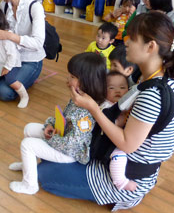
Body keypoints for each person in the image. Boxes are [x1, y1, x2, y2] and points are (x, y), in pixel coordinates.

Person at [36, 12, 174, 211]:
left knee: (43, 174)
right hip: (114, 157)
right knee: (51, 154)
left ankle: (124, 196)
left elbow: (127, 144)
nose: (126, 42)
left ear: (150, 47)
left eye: (132, 38)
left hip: (126, 174)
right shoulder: (154, 79)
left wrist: (93, 108)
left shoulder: (153, 94)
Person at [8, 52, 107, 194]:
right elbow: (64, 117)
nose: (68, 79)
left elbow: (72, 144)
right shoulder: (78, 97)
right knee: (29, 129)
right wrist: (51, 125)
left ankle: (29, 185)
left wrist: (51, 138)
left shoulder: (85, 113)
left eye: (73, 77)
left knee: (27, 145)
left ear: (86, 81)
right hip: (62, 138)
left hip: (70, 153)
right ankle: (27, 166)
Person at [101, 71, 137, 191]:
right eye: (112, 88)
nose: (118, 91)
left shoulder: (127, 104)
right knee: (119, 154)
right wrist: (124, 117)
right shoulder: (105, 106)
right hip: (107, 140)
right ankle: (120, 181)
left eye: (123, 88)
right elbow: (110, 123)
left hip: (122, 137)